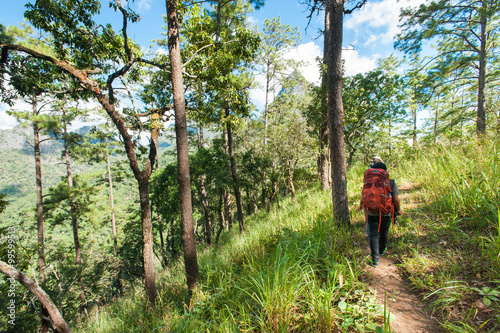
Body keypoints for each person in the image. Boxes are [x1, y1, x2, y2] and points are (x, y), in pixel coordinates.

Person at [359, 161, 401, 267]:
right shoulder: (391, 182)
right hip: (386, 211)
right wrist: (398, 209)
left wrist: (361, 205)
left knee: (373, 235)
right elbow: (395, 199)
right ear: (385, 171)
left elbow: (363, 194)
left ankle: (375, 260)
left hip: (372, 211)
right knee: (384, 232)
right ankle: (382, 250)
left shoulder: (368, 182)